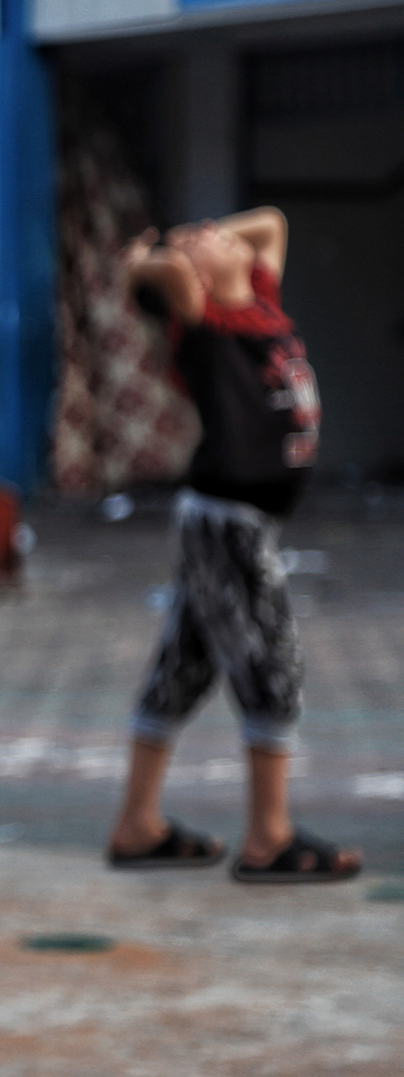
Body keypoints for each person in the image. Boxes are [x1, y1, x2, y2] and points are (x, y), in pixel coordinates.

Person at [110, 207, 358, 882]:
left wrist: (191, 247)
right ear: (191, 279)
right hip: (229, 523)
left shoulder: (260, 301)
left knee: (182, 670)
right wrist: (152, 264)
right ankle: (268, 838)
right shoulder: (206, 322)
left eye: (215, 231)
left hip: (229, 523)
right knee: (273, 672)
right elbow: (160, 278)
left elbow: (273, 223)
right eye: (200, 241)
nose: (217, 235)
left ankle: (137, 823)